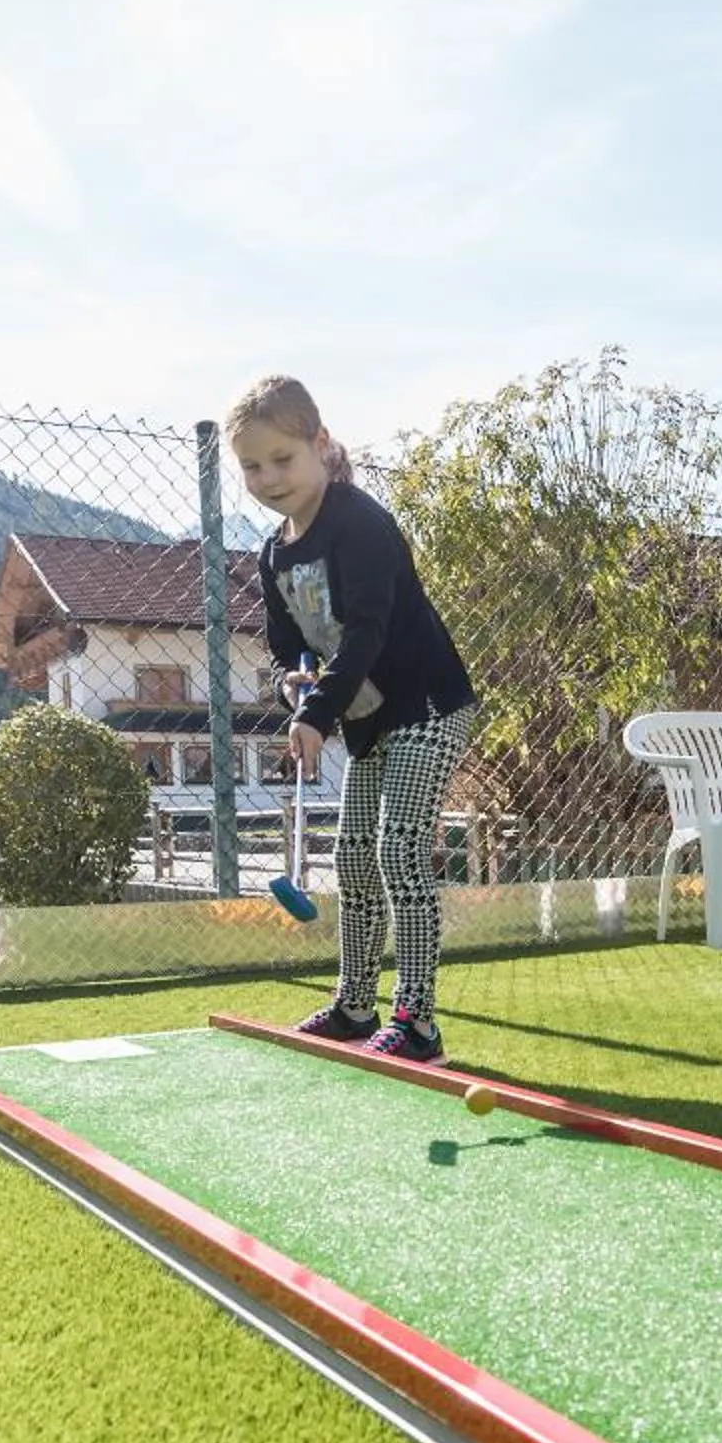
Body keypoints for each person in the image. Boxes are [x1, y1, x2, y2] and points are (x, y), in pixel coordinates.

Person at [229, 375, 477, 1064]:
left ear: (320, 445)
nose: (269, 477)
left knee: (398, 848)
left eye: (283, 458)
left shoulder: (359, 523)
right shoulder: (275, 553)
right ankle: (355, 1007)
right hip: (370, 720)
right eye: (252, 465)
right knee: (352, 856)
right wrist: (295, 688)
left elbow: (366, 633)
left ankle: (419, 1021)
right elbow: (289, 648)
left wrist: (316, 713)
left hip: (426, 704)